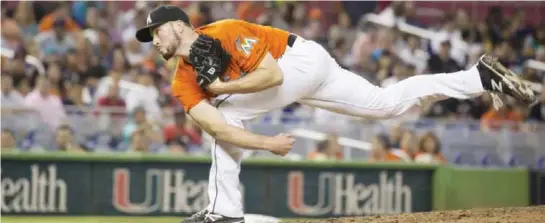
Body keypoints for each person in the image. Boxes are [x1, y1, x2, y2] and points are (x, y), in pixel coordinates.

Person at [135, 5, 536, 223]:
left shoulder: (223, 32)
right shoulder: (181, 80)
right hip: (304, 79)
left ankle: (224, 212)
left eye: (155, 32)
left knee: (227, 108)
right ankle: (476, 77)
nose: (153, 41)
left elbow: (271, 76)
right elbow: (215, 127)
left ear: (176, 25)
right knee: (387, 105)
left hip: (298, 62)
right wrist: (266, 143)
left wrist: (221, 87)